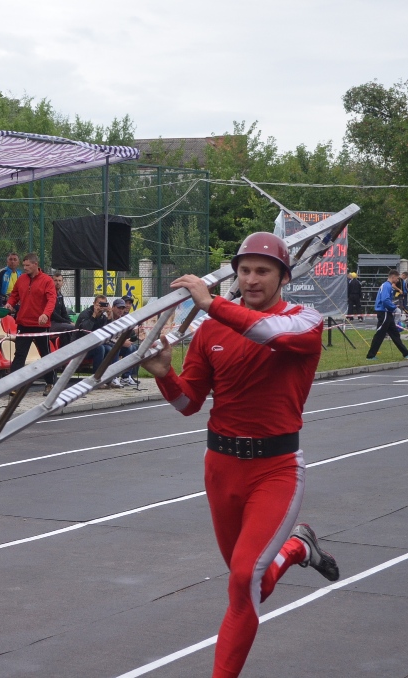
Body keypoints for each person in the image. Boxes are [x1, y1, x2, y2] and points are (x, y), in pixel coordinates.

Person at [140, 231, 339, 678]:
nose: (251, 279)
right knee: (250, 584)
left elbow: (266, 331)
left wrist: (210, 303)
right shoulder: (211, 330)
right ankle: (296, 548)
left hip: (276, 470)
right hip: (221, 470)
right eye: (245, 270)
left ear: (283, 276)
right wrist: (165, 374)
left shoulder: (304, 320)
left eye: (262, 271)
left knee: (243, 578)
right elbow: (188, 404)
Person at [5, 253, 57, 395]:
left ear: (35, 264)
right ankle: (14, 385)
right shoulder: (21, 279)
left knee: (45, 354)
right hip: (23, 323)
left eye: (28, 265)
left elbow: (52, 300)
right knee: (20, 354)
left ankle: (51, 383)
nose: (25, 268)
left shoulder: (47, 281)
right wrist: (9, 304)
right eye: (24, 265)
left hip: (41, 325)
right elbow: (14, 295)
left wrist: (46, 314)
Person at [366, 270, 408, 361]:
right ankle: (370, 355)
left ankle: (406, 353)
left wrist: (392, 307)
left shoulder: (387, 286)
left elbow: (386, 300)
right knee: (380, 334)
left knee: (395, 334)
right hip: (384, 312)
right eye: (397, 278)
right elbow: (385, 300)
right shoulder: (387, 286)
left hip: (387, 313)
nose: (398, 280)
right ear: (393, 277)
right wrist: (394, 308)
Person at [75, 295, 114, 385]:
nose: (100, 307)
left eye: (103, 304)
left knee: (110, 349)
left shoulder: (102, 317)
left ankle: (108, 378)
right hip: (81, 346)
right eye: (99, 304)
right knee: (100, 349)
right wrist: (94, 316)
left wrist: (109, 318)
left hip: (94, 345)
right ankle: (95, 379)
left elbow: (107, 333)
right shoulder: (86, 314)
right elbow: (86, 330)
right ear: (94, 304)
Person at [109, 298, 142, 387]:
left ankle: (126, 377)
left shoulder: (123, 320)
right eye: (119, 308)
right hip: (108, 344)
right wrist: (121, 342)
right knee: (115, 347)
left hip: (117, 343)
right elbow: (108, 336)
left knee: (133, 347)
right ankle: (114, 377)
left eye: (122, 308)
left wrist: (136, 335)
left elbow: (127, 337)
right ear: (113, 307)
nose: (121, 310)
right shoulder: (108, 317)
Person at [50, 272, 77, 342]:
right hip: (51, 323)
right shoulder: (49, 294)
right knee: (72, 327)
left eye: (59, 280)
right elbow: (53, 314)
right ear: (51, 281)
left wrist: (70, 321)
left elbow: (64, 312)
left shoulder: (60, 295)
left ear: (62, 282)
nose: (57, 283)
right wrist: (68, 322)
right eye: (55, 280)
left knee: (76, 326)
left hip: (60, 323)